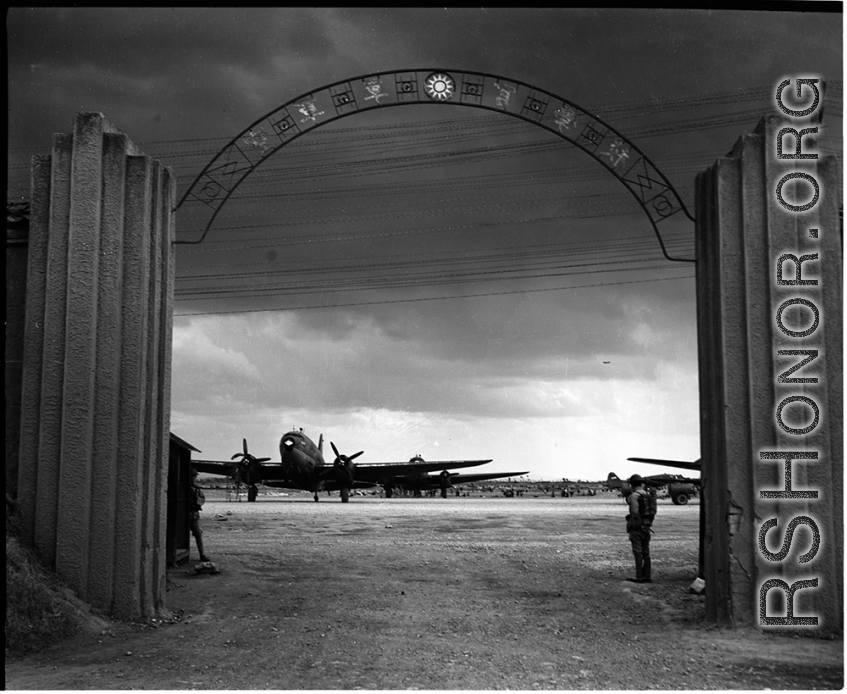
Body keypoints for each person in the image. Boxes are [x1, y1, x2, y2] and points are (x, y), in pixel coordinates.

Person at [625, 474, 656, 583]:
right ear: (641, 484)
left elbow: (634, 512)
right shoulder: (647, 495)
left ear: (632, 485)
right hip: (647, 526)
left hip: (637, 527)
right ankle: (647, 576)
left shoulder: (634, 496)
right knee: (646, 552)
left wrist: (633, 524)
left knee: (637, 551)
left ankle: (639, 577)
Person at [190, 467, 210, 563]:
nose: (193, 478)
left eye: (194, 476)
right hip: (187, 513)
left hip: (194, 514)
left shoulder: (197, 489)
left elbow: (201, 500)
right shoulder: (186, 487)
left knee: (198, 533)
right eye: (192, 476)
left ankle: (202, 554)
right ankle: (202, 554)